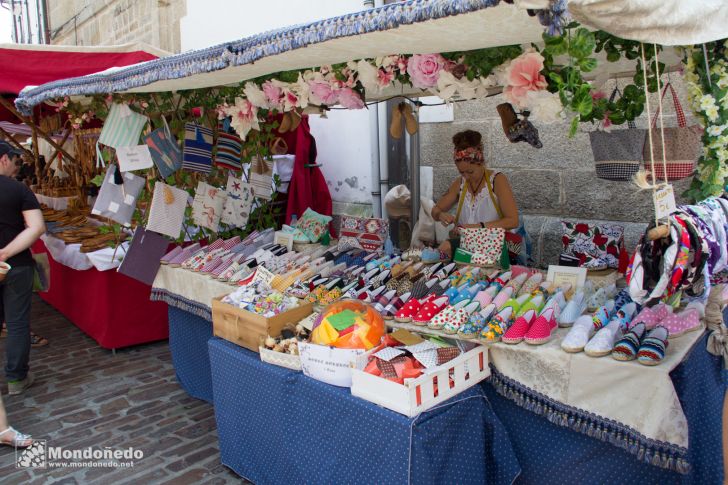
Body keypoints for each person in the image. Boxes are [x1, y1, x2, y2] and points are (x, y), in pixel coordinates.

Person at [428, 130, 519, 260]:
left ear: (480, 162)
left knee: (446, 248)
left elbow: (513, 220)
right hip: (467, 249)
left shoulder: (497, 180)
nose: (466, 176)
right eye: (462, 172)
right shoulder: (460, 183)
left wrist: (476, 227)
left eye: (470, 171)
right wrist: (441, 215)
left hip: (493, 250)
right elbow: (435, 210)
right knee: (441, 252)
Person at [0, 140, 45, 395]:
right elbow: (37, 227)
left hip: (13, 264)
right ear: (4, 159)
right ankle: (16, 379)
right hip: (16, 264)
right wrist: (6, 252)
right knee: (17, 323)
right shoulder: (18, 190)